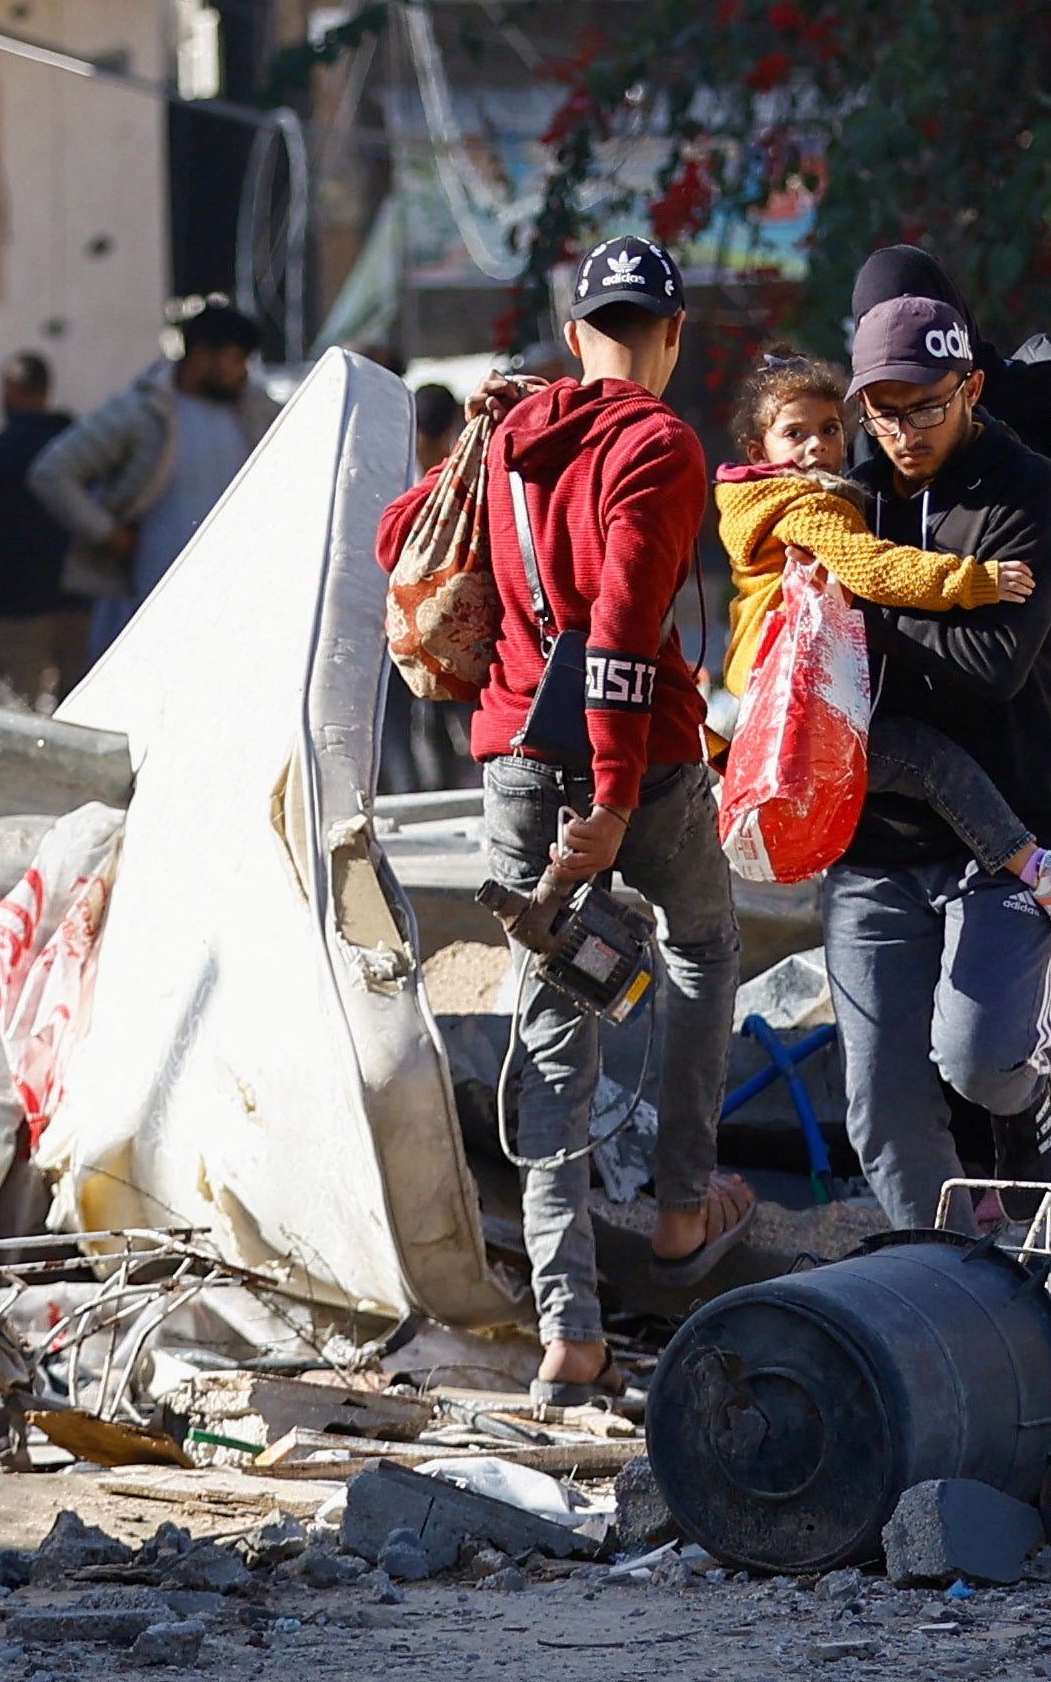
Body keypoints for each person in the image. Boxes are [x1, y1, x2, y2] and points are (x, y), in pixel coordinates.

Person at [375, 235, 752, 1405]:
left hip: (512, 770)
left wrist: (482, 439)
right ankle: (686, 1206)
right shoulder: (659, 442)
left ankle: (570, 1328)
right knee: (700, 937)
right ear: (673, 336)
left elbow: (400, 544)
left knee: (556, 1030)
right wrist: (614, 798)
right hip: (635, 763)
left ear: (575, 332)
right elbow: (628, 632)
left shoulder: (513, 435)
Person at [821, 292, 1051, 1231]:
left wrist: (860, 598)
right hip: (874, 841)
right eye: (880, 411)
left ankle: (1034, 1113)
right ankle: (946, 1280)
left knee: (978, 1062)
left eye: (924, 406)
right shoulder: (852, 494)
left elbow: (993, 667)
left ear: (970, 387)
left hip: (1009, 831)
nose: (901, 432)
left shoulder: (1032, 492)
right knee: (883, 1114)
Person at [715, 346, 1051, 928]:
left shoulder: (766, 499)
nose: (815, 448)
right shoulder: (806, 507)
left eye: (829, 429)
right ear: (760, 452)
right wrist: (971, 579)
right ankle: (1040, 871)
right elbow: (873, 567)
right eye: (794, 434)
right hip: (806, 714)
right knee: (931, 763)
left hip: (787, 706)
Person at [851, 246, 1051, 664]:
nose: (906, 432)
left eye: (928, 407)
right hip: (914, 685)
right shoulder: (874, 439)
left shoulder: (1045, 403)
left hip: (1050, 659)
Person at [27, 304, 271, 658]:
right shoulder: (141, 414)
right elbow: (52, 472)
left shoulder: (257, 414)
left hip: (236, 603)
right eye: (236, 359)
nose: (242, 373)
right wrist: (106, 533)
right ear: (202, 356)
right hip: (150, 605)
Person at [0, 352, 85, 708]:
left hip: (16, 605)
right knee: (82, 707)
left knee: (17, 710)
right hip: (77, 596)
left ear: (10, 389)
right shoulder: (77, 443)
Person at [380, 378, 475, 794]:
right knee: (422, 735)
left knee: (426, 733)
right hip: (444, 623)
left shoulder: (392, 474)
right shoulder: (454, 475)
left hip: (415, 626)